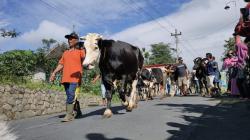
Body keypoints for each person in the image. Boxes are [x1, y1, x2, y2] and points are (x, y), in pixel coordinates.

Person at [50, 32, 85, 122]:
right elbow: (61, 64)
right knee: (71, 95)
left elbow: (86, 59)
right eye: (68, 39)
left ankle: (69, 115)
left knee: (71, 95)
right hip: (65, 78)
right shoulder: (65, 53)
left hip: (75, 78)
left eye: (72, 38)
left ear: (76, 40)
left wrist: (83, 46)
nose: (69, 40)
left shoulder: (80, 51)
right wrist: (54, 73)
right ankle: (78, 111)